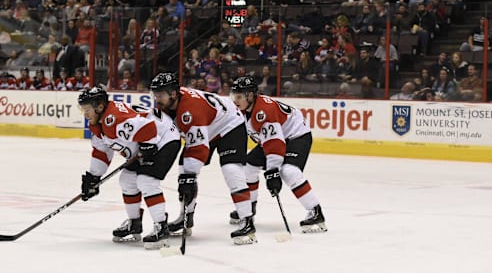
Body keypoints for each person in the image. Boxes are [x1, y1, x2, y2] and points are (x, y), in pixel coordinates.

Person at [150, 72, 256, 245]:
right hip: (208, 125)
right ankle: (186, 218)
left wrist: (190, 178)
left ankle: (247, 221)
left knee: (231, 170)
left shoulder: (190, 110)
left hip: (230, 124)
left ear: (173, 94)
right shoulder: (168, 105)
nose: (157, 98)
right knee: (184, 170)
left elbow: (199, 148)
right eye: (155, 94)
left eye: (160, 94)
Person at [77, 87, 181, 249]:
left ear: (99, 106)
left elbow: (149, 128)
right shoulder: (99, 123)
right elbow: (101, 152)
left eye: (87, 109)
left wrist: (148, 144)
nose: (85, 114)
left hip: (165, 138)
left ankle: (161, 228)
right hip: (149, 141)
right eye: (83, 110)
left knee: (146, 181)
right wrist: (93, 177)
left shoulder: (114, 119)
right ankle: (134, 223)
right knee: (127, 180)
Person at [230, 76, 327, 234]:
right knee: (249, 166)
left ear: (250, 95)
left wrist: (272, 171)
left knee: (289, 171)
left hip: (296, 135)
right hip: (276, 137)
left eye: (239, 96)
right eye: (235, 96)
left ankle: (316, 213)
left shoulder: (263, 112)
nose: (236, 100)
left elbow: (275, 144)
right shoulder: (244, 110)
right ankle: (249, 210)